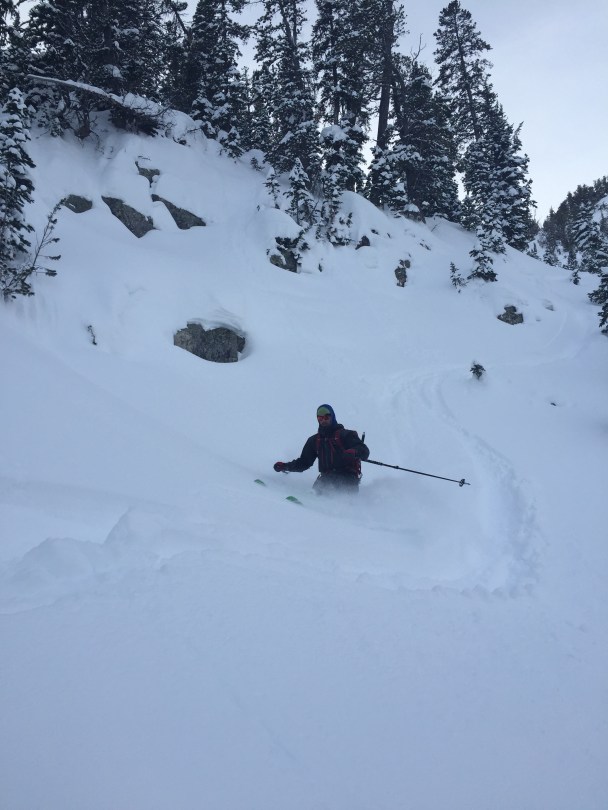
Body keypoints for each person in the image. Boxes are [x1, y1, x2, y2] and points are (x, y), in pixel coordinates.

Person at [274, 404, 369, 494]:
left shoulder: (346, 435)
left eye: (326, 417)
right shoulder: (314, 440)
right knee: (320, 488)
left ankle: (344, 504)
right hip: (326, 478)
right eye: (320, 418)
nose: (323, 420)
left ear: (332, 417)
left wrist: (354, 452)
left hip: (347, 479)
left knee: (330, 486)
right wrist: (285, 466)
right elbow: (304, 462)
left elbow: (364, 450)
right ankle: (310, 502)